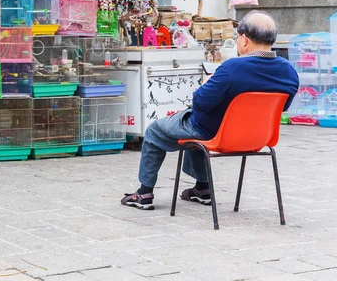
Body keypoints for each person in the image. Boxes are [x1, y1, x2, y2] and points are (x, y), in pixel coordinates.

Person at [121, 11, 299, 210]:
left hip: (213, 132)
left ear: (244, 40)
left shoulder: (232, 68)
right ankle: (203, 188)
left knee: (156, 130)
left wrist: (207, 82)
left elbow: (201, 102)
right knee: (195, 126)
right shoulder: (288, 71)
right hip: (258, 138)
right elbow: (283, 107)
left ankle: (144, 192)